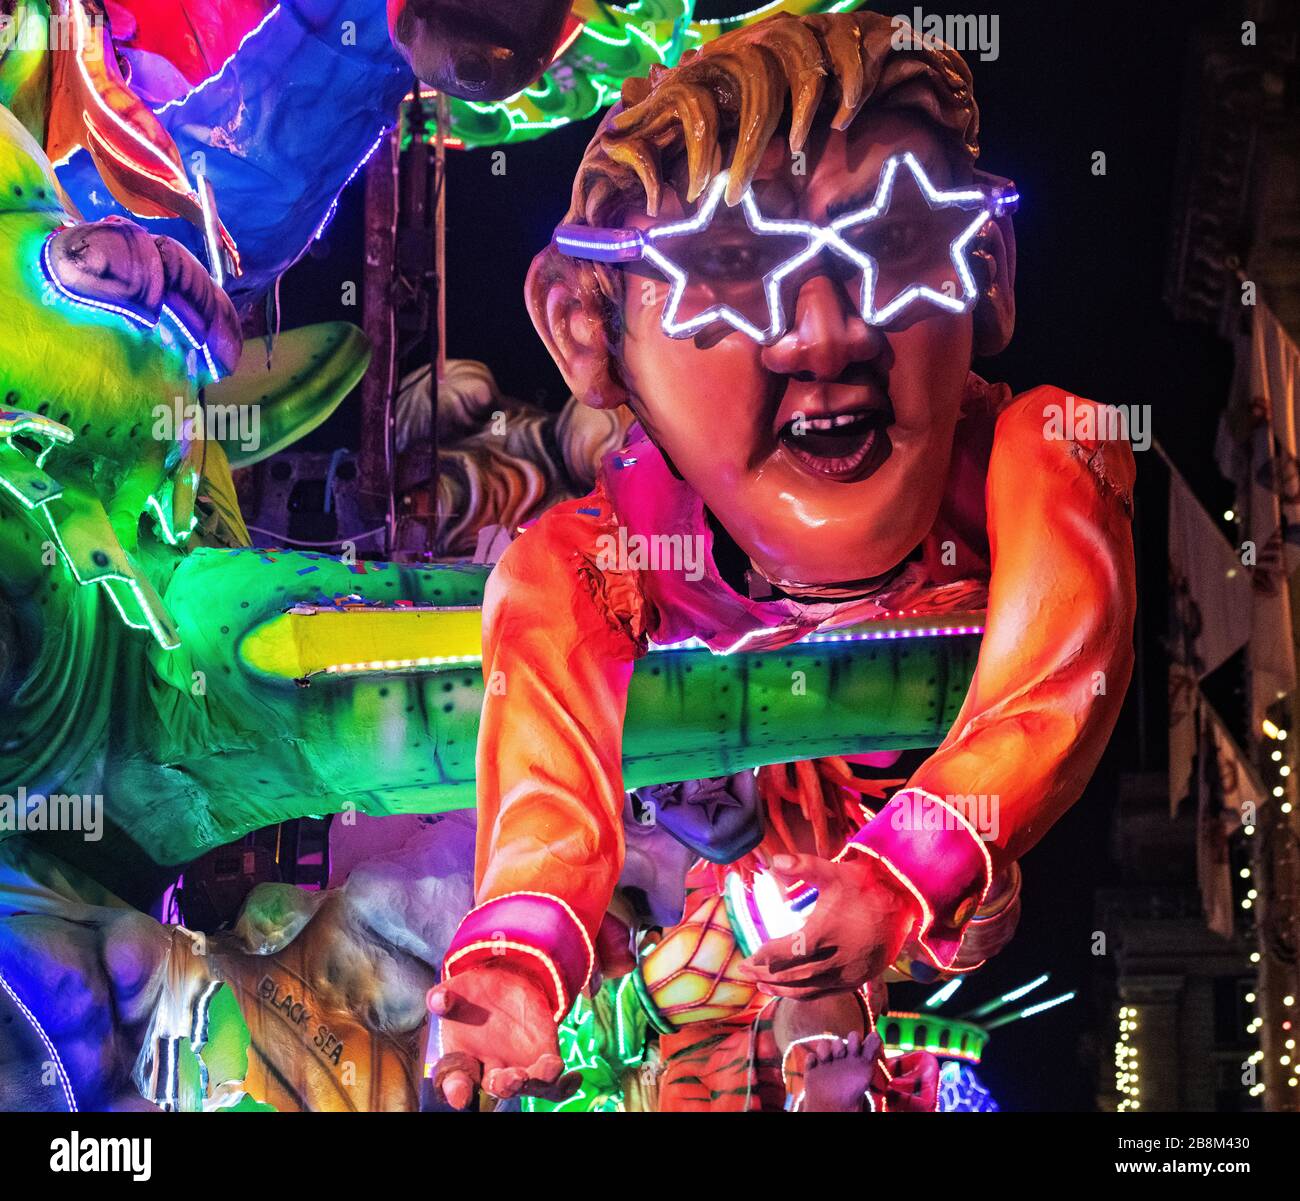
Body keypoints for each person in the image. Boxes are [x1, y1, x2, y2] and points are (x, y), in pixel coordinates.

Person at [428, 9, 1135, 1110]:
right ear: (585, 329)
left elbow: (1058, 673)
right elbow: (545, 766)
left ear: (989, 273)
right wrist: (518, 955)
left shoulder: (1038, 457)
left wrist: (910, 875)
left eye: (893, 244)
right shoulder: (593, 556)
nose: (823, 333)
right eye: (726, 264)